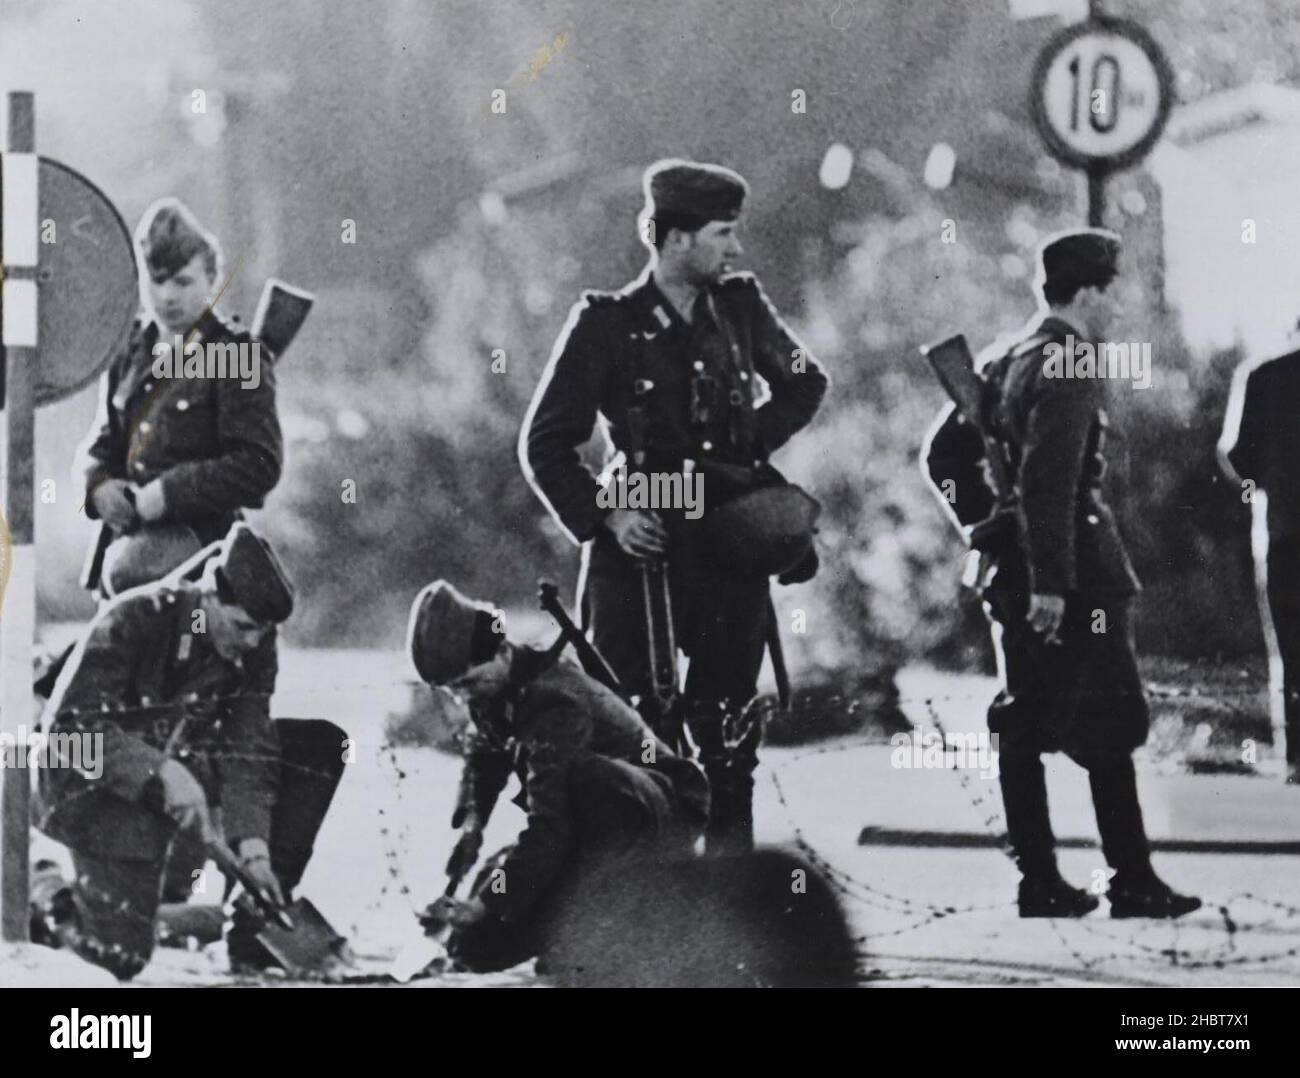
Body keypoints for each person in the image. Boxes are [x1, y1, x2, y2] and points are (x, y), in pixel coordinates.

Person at [519, 159, 828, 854]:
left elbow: (807, 384)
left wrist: (747, 449)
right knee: (633, 733)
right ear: (677, 239)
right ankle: (636, 905)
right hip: (643, 548)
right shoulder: (606, 324)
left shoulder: (742, 308)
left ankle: (730, 909)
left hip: (730, 544)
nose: (735, 248)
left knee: (728, 732)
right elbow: (545, 443)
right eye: (722, 233)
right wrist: (606, 517)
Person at [923, 228, 1200, 919]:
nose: (1120, 301)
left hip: (1015, 575)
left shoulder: (1006, 358)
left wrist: (988, 530)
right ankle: (1130, 879)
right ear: (1087, 292)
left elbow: (942, 459)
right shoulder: (1069, 362)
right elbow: (1049, 486)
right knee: (1110, 720)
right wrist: (1049, 579)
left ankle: (1040, 881)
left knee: (1024, 723)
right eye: (1114, 288)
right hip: (1072, 578)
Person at [32, 524, 347, 979]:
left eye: (261, 632)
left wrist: (254, 846)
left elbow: (250, 743)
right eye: (242, 627)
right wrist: (161, 774)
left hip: (170, 769)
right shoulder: (135, 619)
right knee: (121, 956)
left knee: (316, 746)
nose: (252, 644)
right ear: (208, 599)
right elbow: (67, 737)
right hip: (88, 783)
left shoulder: (254, 638)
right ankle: (42, 886)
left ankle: (253, 924)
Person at [407, 579, 711, 977]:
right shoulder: (496, 685)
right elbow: (486, 759)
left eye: (467, 684)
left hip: (654, 817)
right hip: (585, 833)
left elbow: (550, 825)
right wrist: (472, 827)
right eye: (451, 691)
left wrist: (485, 901)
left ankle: (611, 930)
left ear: (502, 650)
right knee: (474, 947)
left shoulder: (554, 701)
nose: (463, 699)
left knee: (590, 780)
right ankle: (577, 927)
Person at [74, 197, 283, 597]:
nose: (167, 296)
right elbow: (100, 443)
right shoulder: (129, 349)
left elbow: (259, 464)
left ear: (211, 278)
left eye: (182, 281)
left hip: (202, 559)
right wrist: (97, 486)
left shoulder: (238, 354)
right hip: (124, 551)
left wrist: (169, 494)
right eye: (156, 281)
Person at [1218, 333, 1300, 784]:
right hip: (1284, 526)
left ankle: (1296, 760)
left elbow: (1235, 452)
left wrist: (1273, 479)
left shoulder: (1263, 375)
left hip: (1284, 529)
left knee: (1290, 652)